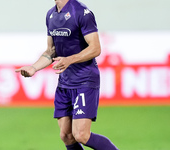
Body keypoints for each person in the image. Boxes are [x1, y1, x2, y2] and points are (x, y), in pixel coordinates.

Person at [15, 0, 118, 149]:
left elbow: (95, 48)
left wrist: (70, 59)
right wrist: (33, 68)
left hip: (84, 80)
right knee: (67, 136)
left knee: (81, 135)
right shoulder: (50, 14)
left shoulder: (81, 12)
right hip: (64, 82)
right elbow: (51, 51)